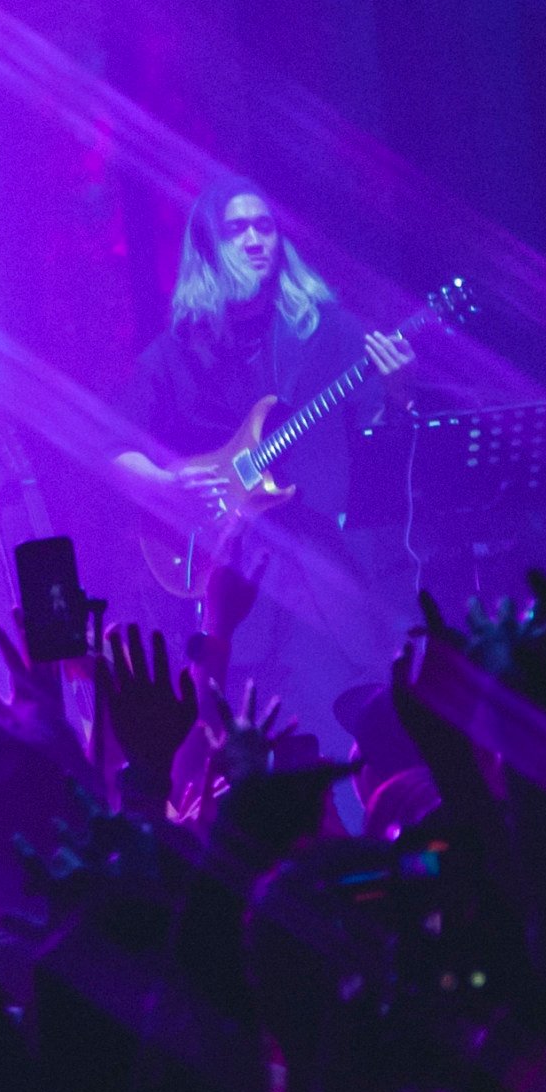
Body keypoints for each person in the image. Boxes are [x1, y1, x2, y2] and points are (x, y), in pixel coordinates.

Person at [107, 178, 415, 717]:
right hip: (233, 591)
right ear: (207, 248)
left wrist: (398, 394)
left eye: (265, 227)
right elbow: (112, 449)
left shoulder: (328, 332)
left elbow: (383, 447)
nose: (255, 240)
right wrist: (165, 484)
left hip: (326, 578)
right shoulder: (173, 355)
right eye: (236, 230)